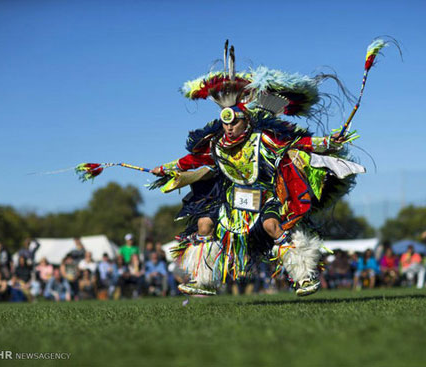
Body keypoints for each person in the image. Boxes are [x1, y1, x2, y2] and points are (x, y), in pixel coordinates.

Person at [150, 42, 372, 297]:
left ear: (247, 121)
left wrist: (326, 143)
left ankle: (303, 277)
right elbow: (192, 161)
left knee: (272, 226)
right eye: (226, 124)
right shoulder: (216, 145)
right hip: (230, 200)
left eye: (235, 123)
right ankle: (202, 280)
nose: (229, 128)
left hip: (264, 196)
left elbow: (296, 142)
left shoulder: (262, 139)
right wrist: (165, 169)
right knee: (203, 224)